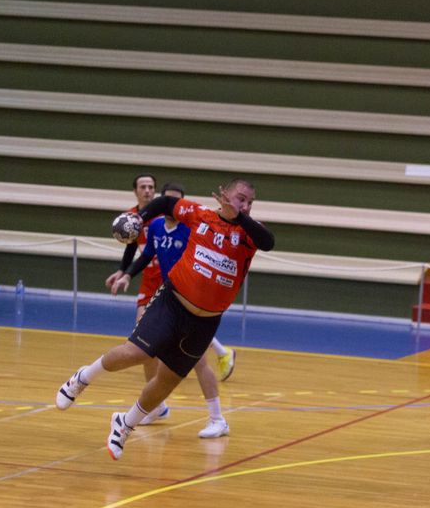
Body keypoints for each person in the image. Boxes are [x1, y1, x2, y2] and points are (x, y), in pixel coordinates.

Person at [56, 178, 274, 460]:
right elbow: (166, 203)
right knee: (135, 353)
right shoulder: (201, 215)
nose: (245, 205)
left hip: (205, 322)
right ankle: (83, 378)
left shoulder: (249, 233)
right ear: (224, 195)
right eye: (240, 198)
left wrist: (241, 216)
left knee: (167, 381)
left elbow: (269, 242)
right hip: (173, 303)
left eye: (250, 202)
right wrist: (140, 217)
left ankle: (125, 424)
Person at [107, 181, 229, 439]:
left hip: (191, 301)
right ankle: (156, 407)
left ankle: (218, 418)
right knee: (144, 348)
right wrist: (127, 274)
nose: (174, 206)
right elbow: (145, 255)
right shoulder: (155, 227)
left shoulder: (193, 229)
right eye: (169, 201)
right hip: (168, 298)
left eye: (178, 201)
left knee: (199, 361)